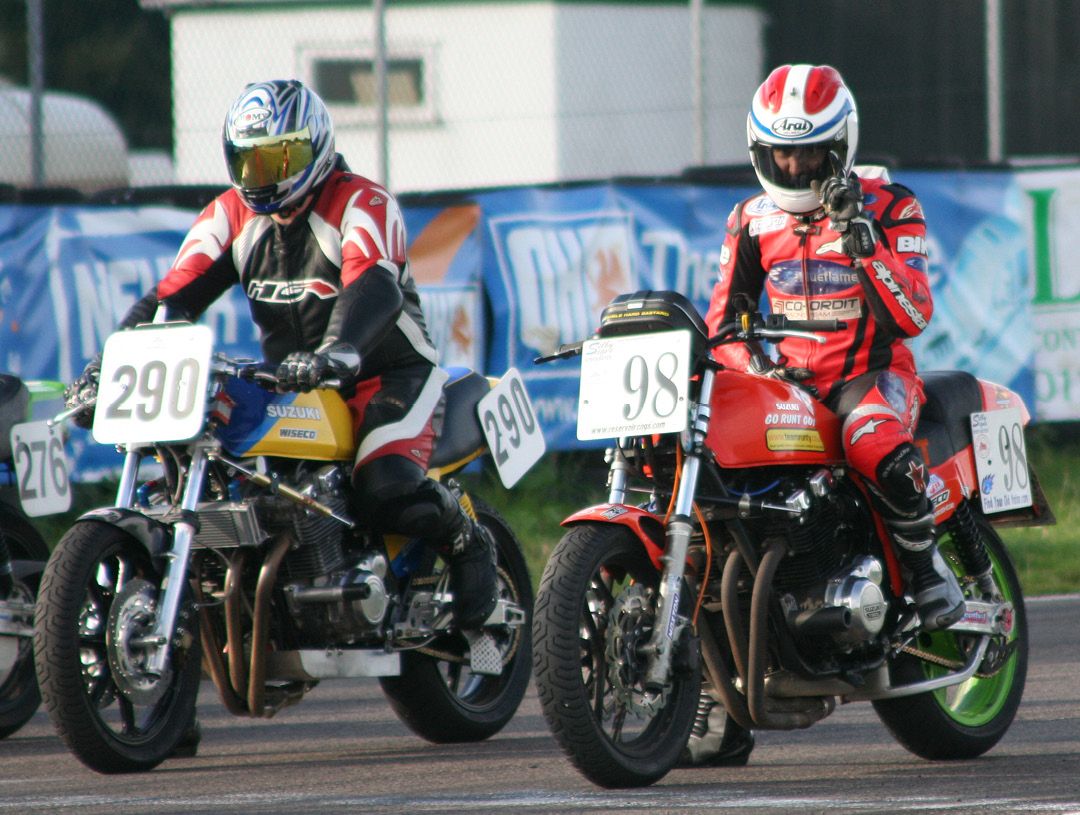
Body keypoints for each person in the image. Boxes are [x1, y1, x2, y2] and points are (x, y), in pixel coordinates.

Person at [65, 79, 499, 636]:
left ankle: (467, 539)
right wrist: (114, 361)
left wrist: (338, 352)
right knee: (220, 480)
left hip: (384, 373)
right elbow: (172, 297)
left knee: (387, 488)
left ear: (314, 145)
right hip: (291, 383)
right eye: (248, 163)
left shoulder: (362, 202)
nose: (262, 176)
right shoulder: (229, 216)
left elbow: (374, 285)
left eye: (278, 158)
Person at [691, 63, 966, 766]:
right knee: (714, 498)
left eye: (810, 150)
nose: (795, 163)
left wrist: (862, 240)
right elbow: (723, 325)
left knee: (871, 440)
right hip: (786, 385)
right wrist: (732, 372)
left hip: (871, 375)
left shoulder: (892, 204)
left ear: (838, 145)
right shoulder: (750, 220)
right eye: (783, 151)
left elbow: (913, 314)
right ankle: (717, 698)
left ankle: (928, 570)